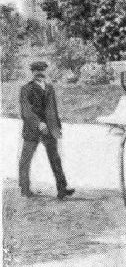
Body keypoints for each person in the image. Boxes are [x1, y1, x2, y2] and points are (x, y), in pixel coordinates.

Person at [18, 60, 75, 200]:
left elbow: (53, 110)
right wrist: (38, 123)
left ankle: (62, 189)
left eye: (42, 70)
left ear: (45, 72)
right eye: (37, 71)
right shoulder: (26, 89)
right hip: (32, 130)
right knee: (25, 160)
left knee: (55, 159)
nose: (40, 73)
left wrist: (57, 127)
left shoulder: (50, 88)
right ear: (32, 73)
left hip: (50, 130)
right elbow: (26, 112)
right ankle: (24, 189)